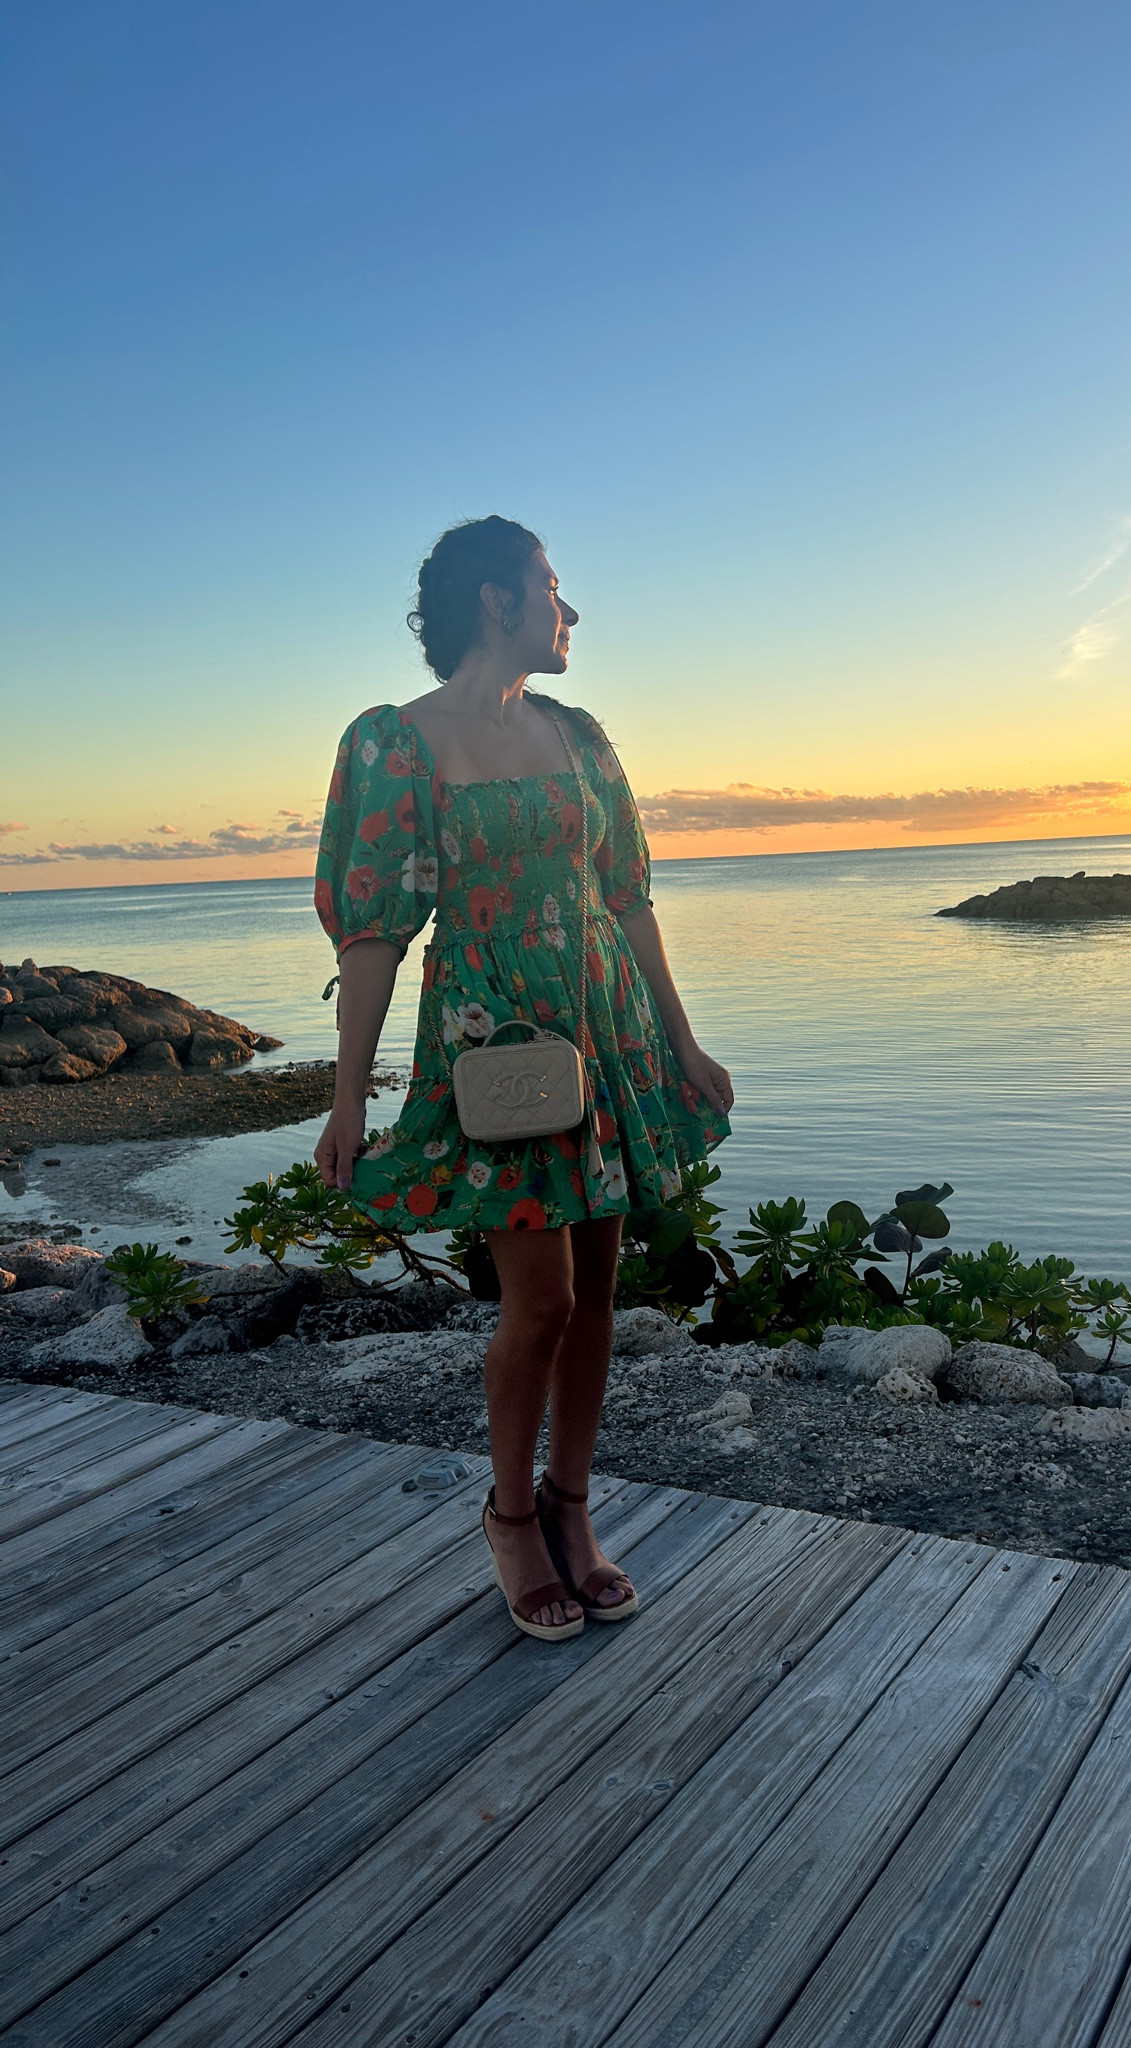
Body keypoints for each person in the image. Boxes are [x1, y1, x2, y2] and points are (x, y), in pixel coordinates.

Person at [313, 517, 733, 1640]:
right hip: (493, 1045)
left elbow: (630, 895)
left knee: (597, 1295)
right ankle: (509, 1515)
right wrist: (348, 1093)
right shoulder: (393, 744)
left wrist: (683, 1044)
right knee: (536, 1298)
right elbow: (373, 936)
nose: (569, 607)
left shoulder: (579, 733)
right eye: (554, 585)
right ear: (498, 599)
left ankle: (573, 1506)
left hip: (608, 1025)